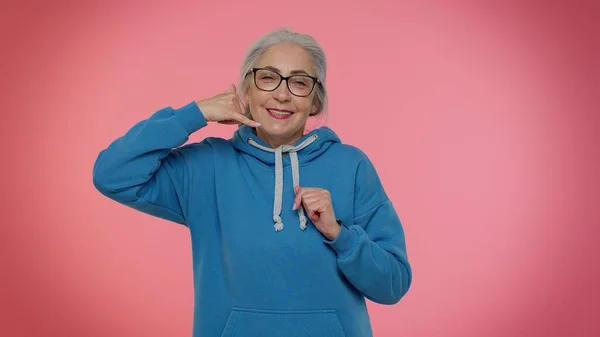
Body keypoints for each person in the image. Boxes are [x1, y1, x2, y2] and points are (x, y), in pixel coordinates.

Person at [92, 27, 412, 337]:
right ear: (246, 91)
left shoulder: (351, 165)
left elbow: (393, 284)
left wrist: (339, 234)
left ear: (315, 101)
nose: (283, 94)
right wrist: (196, 113)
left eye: (299, 82)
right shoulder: (207, 166)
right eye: (268, 78)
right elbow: (112, 174)